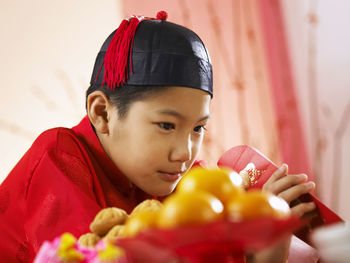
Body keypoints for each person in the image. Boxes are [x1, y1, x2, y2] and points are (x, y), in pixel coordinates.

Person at [0, 11, 315, 263]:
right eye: (166, 125)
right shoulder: (59, 156)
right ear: (102, 113)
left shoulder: (190, 182)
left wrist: (262, 223)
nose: (184, 153)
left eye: (198, 128)